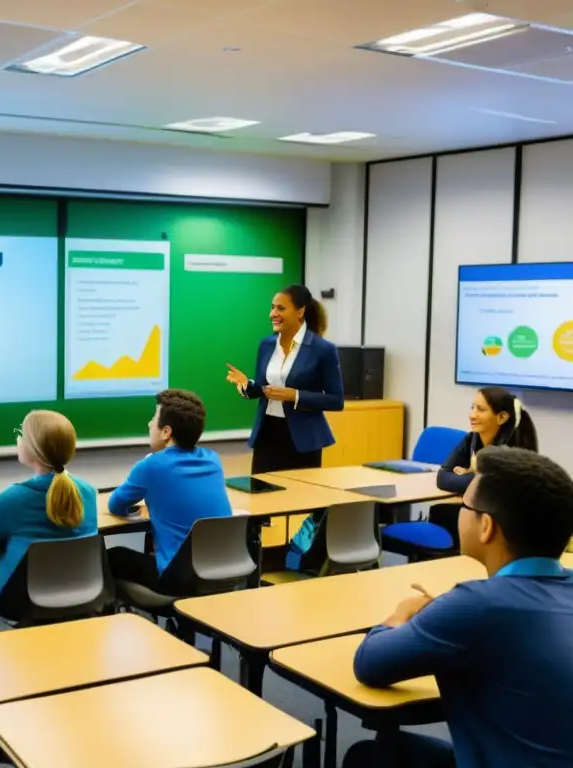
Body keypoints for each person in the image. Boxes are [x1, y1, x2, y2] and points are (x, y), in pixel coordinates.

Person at [347, 447, 573, 768]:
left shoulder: (477, 606)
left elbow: (369, 662)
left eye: (464, 504)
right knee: (394, 750)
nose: (459, 511)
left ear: (486, 527)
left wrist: (403, 613)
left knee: (371, 758)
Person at [225, 284, 344, 570]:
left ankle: (302, 558)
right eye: (272, 307)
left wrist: (296, 396)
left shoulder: (323, 350)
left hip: (303, 439)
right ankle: (255, 562)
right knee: (260, 504)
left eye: (280, 308)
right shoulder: (267, 344)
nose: (272, 313)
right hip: (269, 434)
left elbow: (336, 400)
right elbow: (262, 389)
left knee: (307, 505)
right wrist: (246, 386)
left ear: (300, 312)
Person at [0, 410, 97, 634]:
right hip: (83, 599)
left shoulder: (12, 499)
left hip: (26, 606)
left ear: (33, 449)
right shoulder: (88, 492)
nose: (18, 439)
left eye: (21, 434)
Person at [106, 389, 232, 596]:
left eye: (153, 419)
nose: (149, 424)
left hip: (180, 579)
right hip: (224, 570)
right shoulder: (213, 459)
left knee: (114, 557)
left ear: (166, 432)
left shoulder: (151, 466)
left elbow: (116, 504)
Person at [431, 387, 538, 544]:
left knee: (444, 514)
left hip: (506, 523)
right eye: (472, 408)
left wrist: (470, 475)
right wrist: (476, 476)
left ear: (501, 418)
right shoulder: (472, 439)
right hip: (482, 509)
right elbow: (443, 477)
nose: (472, 415)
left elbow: (491, 485)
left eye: (480, 409)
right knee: (440, 512)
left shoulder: (511, 450)